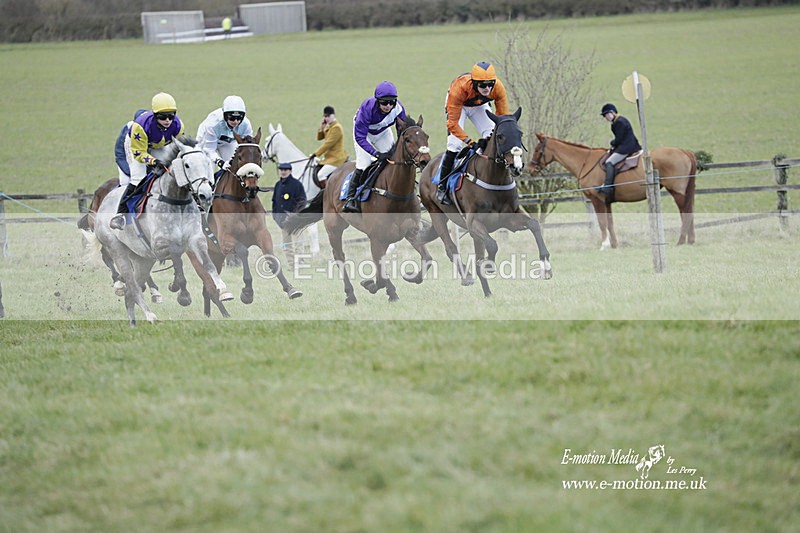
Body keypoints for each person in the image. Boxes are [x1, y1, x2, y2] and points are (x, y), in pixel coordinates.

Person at [437, 61, 510, 205]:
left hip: (479, 105)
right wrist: (470, 142)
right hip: (459, 105)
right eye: (483, 85)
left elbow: (502, 118)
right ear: (474, 83)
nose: (487, 88)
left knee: (493, 136)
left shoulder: (498, 88)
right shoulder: (459, 88)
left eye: (490, 84)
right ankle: (442, 185)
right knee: (455, 144)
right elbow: (452, 124)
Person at [110, 92, 185, 230]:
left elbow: (179, 146)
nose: (168, 120)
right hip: (135, 146)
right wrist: (154, 161)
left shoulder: (178, 125)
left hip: (157, 144)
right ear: (155, 115)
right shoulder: (141, 126)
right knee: (138, 178)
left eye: (171, 115)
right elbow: (139, 153)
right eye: (163, 117)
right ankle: (120, 214)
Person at [343, 81, 408, 213]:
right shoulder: (367, 108)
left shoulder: (399, 109)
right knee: (364, 163)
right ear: (377, 101)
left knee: (393, 160)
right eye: (384, 102)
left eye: (392, 102)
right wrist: (375, 153)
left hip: (382, 133)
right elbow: (360, 137)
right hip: (364, 134)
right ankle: (351, 198)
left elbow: (403, 131)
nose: (388, 106)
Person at [196, 95, 253, 179]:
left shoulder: (246, 124)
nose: (236, 121)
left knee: (234, 166)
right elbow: (209, 150)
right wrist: (220, 162)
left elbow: (247, 147)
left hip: (228, 142)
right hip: (206, 141)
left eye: (239, 118)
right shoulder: (213, 124)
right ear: (225, 115)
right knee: (208, 168)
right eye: (232, 118)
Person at [595, 102, 642, 203]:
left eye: (606, 115)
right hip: (626, 146)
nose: (605, 117)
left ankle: (608, 187)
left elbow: (619, 139)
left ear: (612, 112)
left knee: (609, 162)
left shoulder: (619, 122)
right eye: (604, 116)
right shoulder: (619, 121)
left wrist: (612, 143)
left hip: (626, 148)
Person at [272, 162, 307, 270]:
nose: (283, 172)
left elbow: (302, 201)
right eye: (281, 170)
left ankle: (300, 264)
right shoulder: (278, 185)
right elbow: (274, 201)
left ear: (290, 171)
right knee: (286, 245)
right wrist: (275, 216)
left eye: (285, 170)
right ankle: (292, 265)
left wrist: (294, 214)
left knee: (298, 244)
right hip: (282, 220)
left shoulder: (296, 184)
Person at [310, 105, 348, 187]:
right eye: (325, 116)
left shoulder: (337, 128)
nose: (326, 118)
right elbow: (319, 138)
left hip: (336, 158)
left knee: (321, 175)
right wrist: (321, 127)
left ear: (333, 115)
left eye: (328, 116)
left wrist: (315, 154)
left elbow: (328, 144)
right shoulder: (328, 126)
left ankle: (327, 194)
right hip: (329, 157)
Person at [115, 109, 147, 186]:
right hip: (126, 160)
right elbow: (120, 155)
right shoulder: (127, 132)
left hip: (144, 160)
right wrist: (130, 172)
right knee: (125, 182)